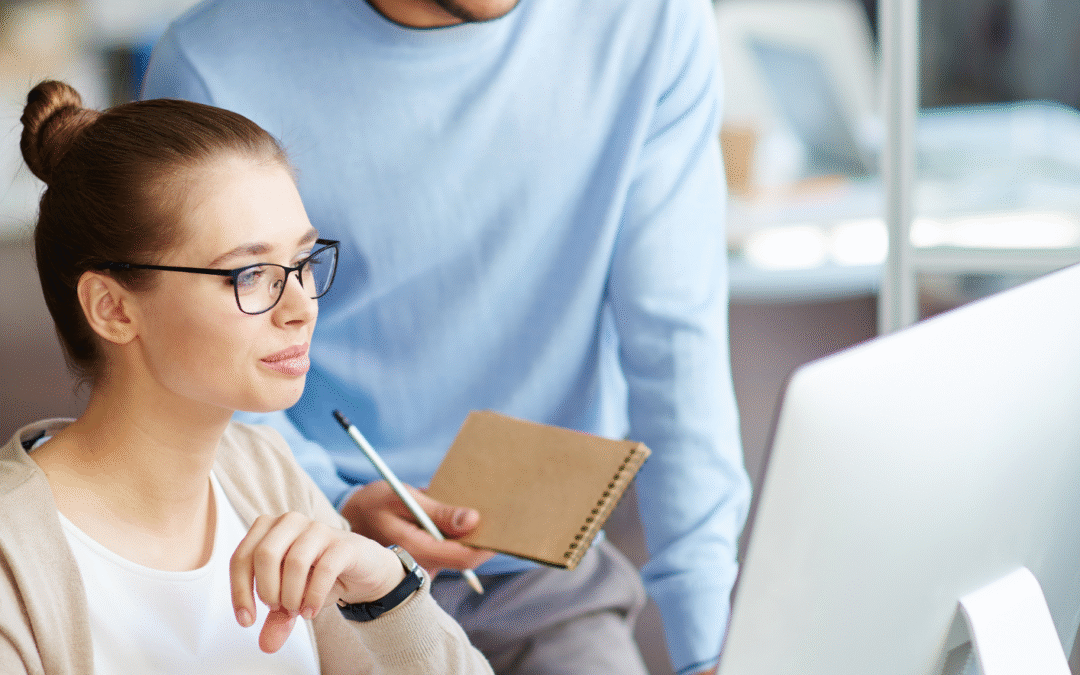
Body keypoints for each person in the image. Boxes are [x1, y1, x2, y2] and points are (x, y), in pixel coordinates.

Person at [143, 1, 752, 673]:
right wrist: (332, 495)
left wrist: (713, 649)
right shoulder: (215, 59)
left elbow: (676, 342)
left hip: (543, 577)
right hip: (310, 560)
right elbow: (196, 350)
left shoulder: (651, 19)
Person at [0, 80, 493, 675]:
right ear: (112, 308)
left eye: (304, 262)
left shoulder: (264, 471)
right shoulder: (15, 556)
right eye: (251, 273)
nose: (303, 306)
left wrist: (386, 590)